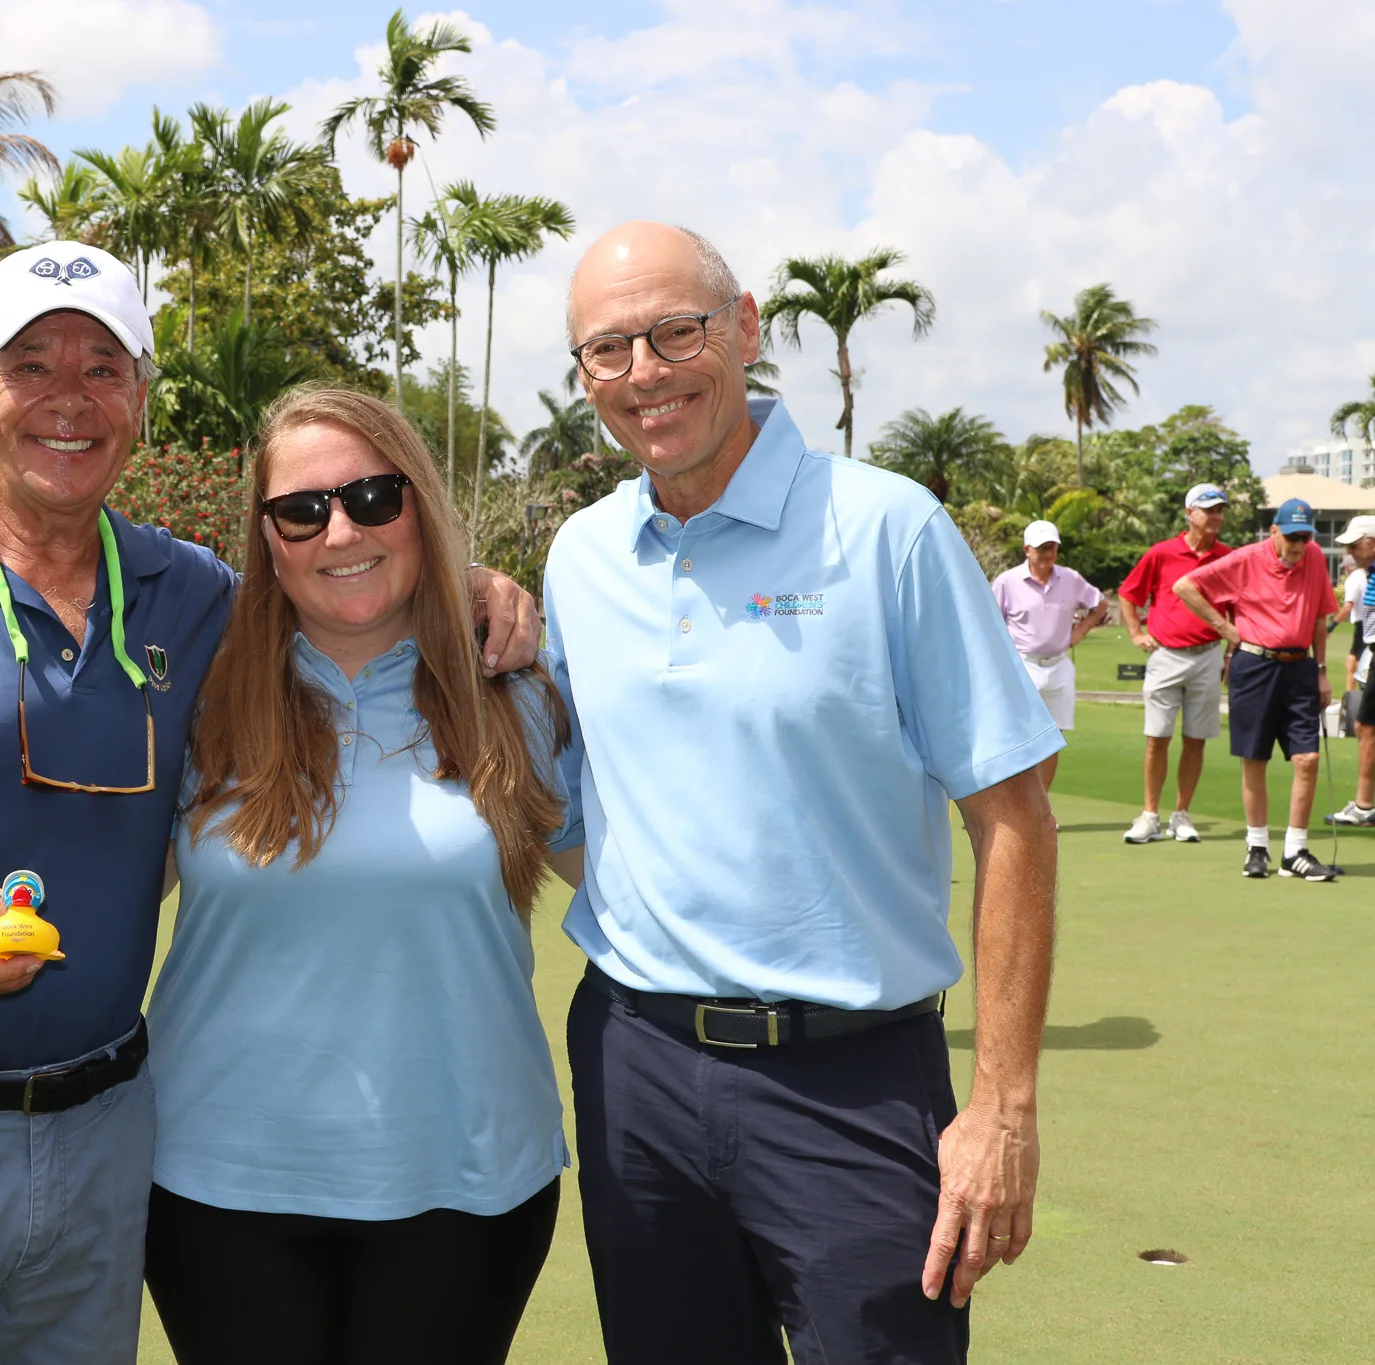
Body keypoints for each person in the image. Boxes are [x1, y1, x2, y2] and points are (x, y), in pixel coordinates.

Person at [0, 241, 539, 1363]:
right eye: (31, 365)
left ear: (138, 399)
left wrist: (471, 584)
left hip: (103, 1137)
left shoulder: (192, 596)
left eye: (102, 368)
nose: (69, 398)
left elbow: (342, 575)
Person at [543, 221, 1059, 1364]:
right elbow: (577, 801)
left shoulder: (887, 528)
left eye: (674, 333)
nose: (643, 373)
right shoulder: (579, 555)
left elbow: (1012, 816)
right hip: (633, 1066)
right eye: (606, 349)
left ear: (742, 328)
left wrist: (1002, 1106)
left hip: (850, 1078)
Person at [143, 388, 572, 1365]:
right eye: (301, 510)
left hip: (465, 1183)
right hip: (217, 1182)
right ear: (267, 538)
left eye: (375, 497)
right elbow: (113, 882)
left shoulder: (519, 689)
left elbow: (633, 886)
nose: (341, 531)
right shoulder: (200, 698)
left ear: (420, 502)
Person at [1173, 498, 1338, 881]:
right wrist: (1224, 628)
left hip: (1300, 667)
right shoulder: (1246, 558)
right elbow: (1185, 586)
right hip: (1255, 666)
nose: (1299, 546)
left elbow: (1319, 616)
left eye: (1306, 537)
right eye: (1293, 537)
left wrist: (1322, 670)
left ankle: (1295, 852)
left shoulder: (1314, 557)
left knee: (1307, 758)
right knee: (1255, 758)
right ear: (1274, 531)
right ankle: (1257, 846)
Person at [1117, 485, 1233, 844]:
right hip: (1166, 656)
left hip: (1209, 655)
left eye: (1219, 510)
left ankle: (1181, 815)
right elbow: (1129, 594)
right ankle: (1150, 815)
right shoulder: (1162, 553)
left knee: (1196, 740)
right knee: (1157, 738)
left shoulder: (1227, 557)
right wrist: (1136, 633)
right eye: (1208, 510)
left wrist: (1230, 653)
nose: (1215, 516)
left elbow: (1238, 607)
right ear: (1189, 513)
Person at [991, 520, 1110, 795]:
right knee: (1018, 738)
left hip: (1059, 666)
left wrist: (1080, 631)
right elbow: (990, 622)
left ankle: (1040, 805)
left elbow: (1100, 603)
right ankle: (1016, 803)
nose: (1048, 554)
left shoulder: (1070, 579)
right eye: (1042, 548)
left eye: (1052, 548)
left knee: (1052, 739)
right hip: (1022, 665)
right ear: (1027, 549)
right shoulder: (1007, 582)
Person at [1328, 514, 1375, 826]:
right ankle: (1364, 805)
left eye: (1355, 545)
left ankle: (1364, 807)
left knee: (1367, 725)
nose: (1350, 552)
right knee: (1367, 725)